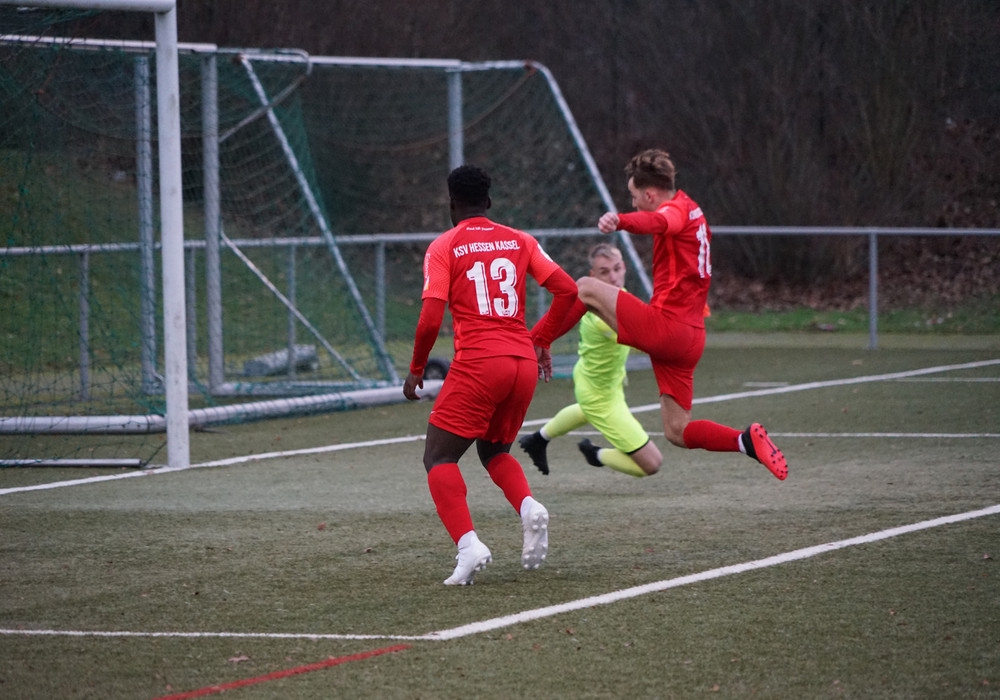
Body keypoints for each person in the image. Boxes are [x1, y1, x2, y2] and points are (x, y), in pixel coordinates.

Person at [536, 149, 788, 480]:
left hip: (668, 328)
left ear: (650, 195)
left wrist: (621, 221)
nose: (634, 203)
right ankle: (744, 441)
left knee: (584, 287)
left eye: (634, 196)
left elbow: (659, 221)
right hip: (691, 337)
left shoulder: (675, 210)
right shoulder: (693, 209)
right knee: (677, 430)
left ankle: (535, 342)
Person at [403, 164, 579, 585]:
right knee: (494, 450)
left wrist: (416, 368)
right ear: (489, 201)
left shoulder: (444, 245)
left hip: (481, 363)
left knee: (438, 457)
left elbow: (430, 320)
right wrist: (541, 339)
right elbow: (570, 291)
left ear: (451, 203)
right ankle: (529, 508)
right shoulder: (520, 239)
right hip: (522, 363)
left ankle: (469, 546)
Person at [519, 243, 662, 478]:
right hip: (600, 396)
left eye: (617, 268)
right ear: (593, 276)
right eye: (604, 272)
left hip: (595, 381)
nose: (613, 277)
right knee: (652, 463)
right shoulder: (602, 318)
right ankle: (595, 454)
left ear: (624, 267)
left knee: (585, 409)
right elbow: (645, 339)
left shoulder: (615, 297)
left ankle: (538, 439)